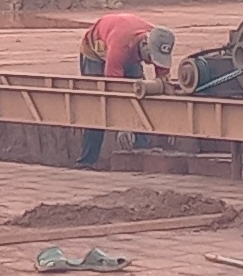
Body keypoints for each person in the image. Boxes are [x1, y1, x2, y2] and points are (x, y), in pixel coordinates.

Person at [74, 10, 175, 168]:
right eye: (151, 58)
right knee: (98, 105)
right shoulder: (119, 46)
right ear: (144, 45)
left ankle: (142, 153)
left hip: (129, 51)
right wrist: (123, 126)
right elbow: (114, 91)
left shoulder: (158, 39)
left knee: (140, 98)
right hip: (95, 52)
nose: (151, 62)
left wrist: (169, 123)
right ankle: (87, 161)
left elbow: (164, 83)